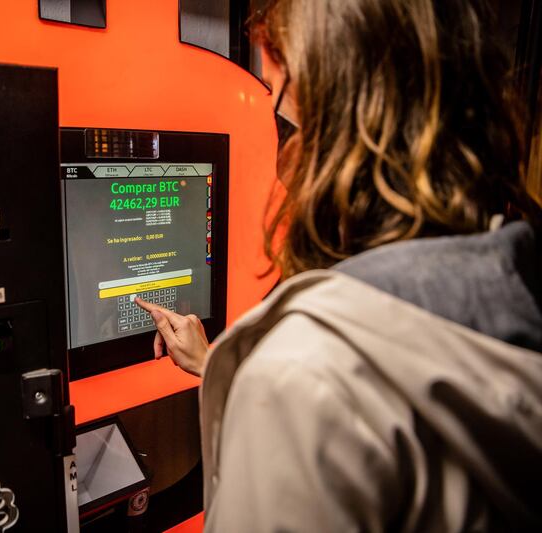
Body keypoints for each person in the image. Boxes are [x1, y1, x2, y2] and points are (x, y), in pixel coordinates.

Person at [135, 0, 542, 530]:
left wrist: (269, 379)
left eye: (282, 104)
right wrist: (218, 366)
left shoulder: (304, 378)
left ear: (336, 134)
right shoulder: (515, 286)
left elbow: (322, 399)